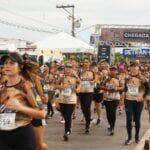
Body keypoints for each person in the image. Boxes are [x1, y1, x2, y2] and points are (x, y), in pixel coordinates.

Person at [0, 52, 45, 150]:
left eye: (11, 63)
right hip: (3, 135)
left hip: (22, 134)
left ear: (20, 67)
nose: (7, 66)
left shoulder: (27, 86)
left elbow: (42, 113)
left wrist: (20, 107)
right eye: (5, 63)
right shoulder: (2, 86)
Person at [124, 62, 145, 145]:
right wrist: (123, 95)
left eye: (135, 67)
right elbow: (125, 88)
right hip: (129, 100)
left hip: (138, 102)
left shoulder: (142, 77)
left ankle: (136, 136)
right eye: (132, 67)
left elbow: (147, 88)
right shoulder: (127, 77)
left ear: (138, 68)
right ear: (130, 68)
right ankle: (129, 137)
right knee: (128, 119)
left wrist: (142, 95)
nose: (134, 68)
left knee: (137, 119)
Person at [102, 66, 124, 135]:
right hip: (107, 98)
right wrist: (107, 88)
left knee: (113, 112)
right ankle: (110, 123)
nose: (112, 71)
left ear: (116, 71)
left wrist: (116, 88)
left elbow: (122, 87)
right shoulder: (106, 78)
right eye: (111, 70)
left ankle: (112, 127)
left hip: (115, 98)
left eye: (114, 70)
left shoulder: (119, 78)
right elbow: (101, 86)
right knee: (108, 113)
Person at [58, 66, 77, 141]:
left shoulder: (75, 77)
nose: (68, 69)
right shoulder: (62, 77)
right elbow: (55, 85)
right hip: (62, 99)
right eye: (67, 68)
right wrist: (61, 87)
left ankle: (67, 132)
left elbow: (80, 85)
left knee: (68, 115)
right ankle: (69, 127)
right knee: (65, 115)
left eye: (69, 68)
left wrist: (75, 89)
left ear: (72, 69)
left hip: (71, 99)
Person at [77, 60, 95, 134]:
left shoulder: (92, 72)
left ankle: (87, 124)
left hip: (89, 92)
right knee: (83, 108)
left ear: (89, 64)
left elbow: (96, 79)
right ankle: (88, 119)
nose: (85, 63)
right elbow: (77, 80)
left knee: (87, 107)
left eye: (87, 62)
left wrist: (93, 82)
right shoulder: (80, 71)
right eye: (84, 62)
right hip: (81, 91)